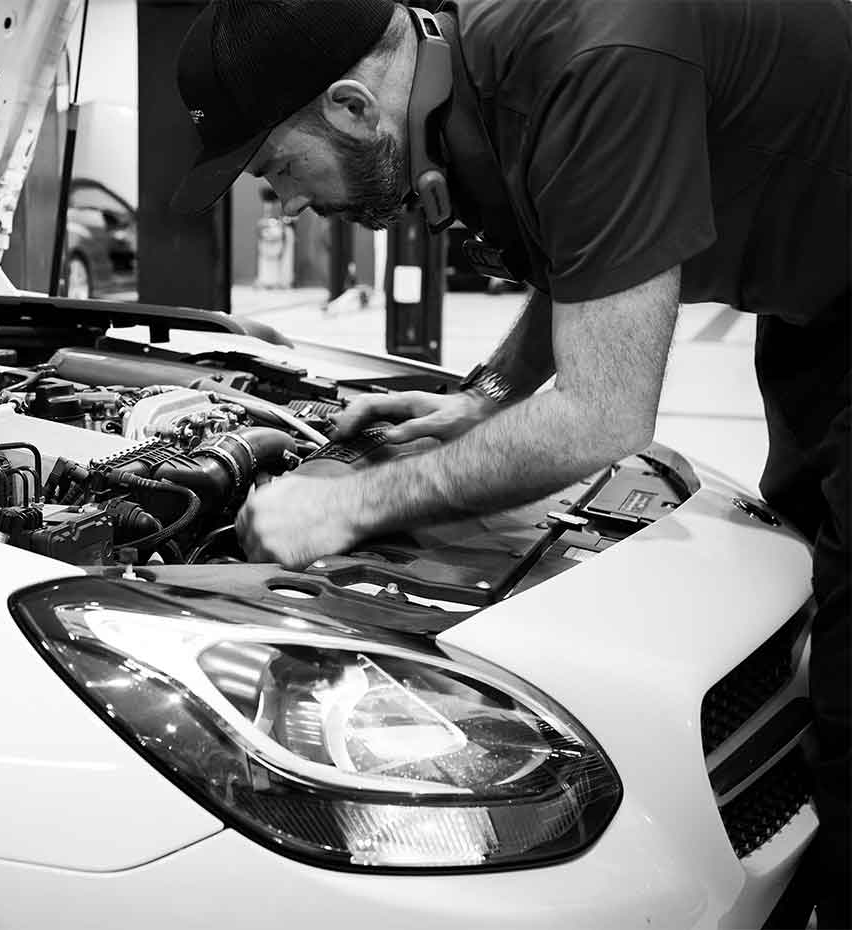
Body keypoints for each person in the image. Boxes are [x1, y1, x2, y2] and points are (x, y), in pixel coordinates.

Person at [170, 0, 849, 922]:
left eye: (278, 167)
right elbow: (584, 257)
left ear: (352, 108)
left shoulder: (594, 62)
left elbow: (600, 417)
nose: (285, 202)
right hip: (821, 291)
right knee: (808, 566)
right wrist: (485, 397)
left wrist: (353, 505)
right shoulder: (485, 88)